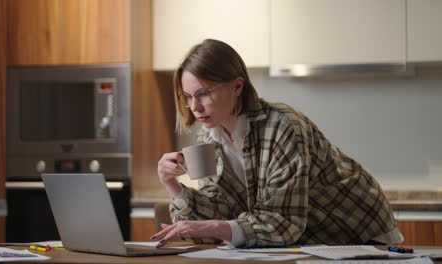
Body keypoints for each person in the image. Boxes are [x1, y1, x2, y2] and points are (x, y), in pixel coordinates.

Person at [152, 39, 403, 248]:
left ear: (237, 85)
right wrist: (173, 185)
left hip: (356, 232)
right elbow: (217, 212)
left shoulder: (283, 127)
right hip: (305, 242)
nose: (194, 107)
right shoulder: (207, 137)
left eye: (203, 93)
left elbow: (283, 222)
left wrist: (218, 227)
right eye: (187, 97)